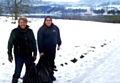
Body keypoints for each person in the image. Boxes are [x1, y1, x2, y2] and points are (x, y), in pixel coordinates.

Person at [7, 17, 37, 83]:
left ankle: (27, 81)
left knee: (29, 71)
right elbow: (10, 43)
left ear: (26, 23)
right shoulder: (14, 32)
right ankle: (14, 81)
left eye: (24, 22)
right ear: (19, 23)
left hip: (29, 54)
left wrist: (35, 53)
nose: (23, 24)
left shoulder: (30, 31)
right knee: (17, 71)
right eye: (21, 22)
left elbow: (34, 42)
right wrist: (9, 54)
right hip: (19, 55)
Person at [37, 16, 62, 81]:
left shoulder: (55, 28)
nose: (48, 21)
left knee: (51, 62)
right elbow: (39, 41)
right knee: (45, 63)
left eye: (49, 20)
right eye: (47, 20)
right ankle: (44, 76)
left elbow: (58, 36)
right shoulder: (42, 29)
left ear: (51, 21)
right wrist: (41, 51)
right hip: (45, 49)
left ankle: (51, 75)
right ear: (45, 21)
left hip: (52, 49)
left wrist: (59, 44)